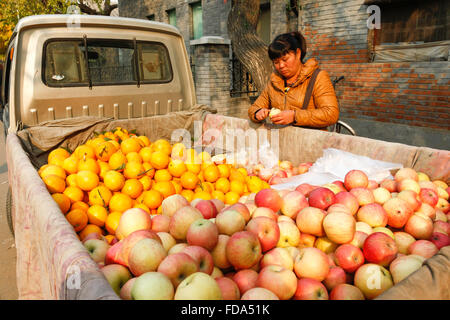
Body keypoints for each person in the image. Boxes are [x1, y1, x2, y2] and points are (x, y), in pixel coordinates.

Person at [248, 31, 339, 129]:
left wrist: (295, 116)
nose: (281, 66)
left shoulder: (317, 77)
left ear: (298, 53)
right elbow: (254, 108)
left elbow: (331, 114)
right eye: (276, 62)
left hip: (310, 141)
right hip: (282, 141)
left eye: (285, 59)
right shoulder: (275, 82)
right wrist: (258, 113)